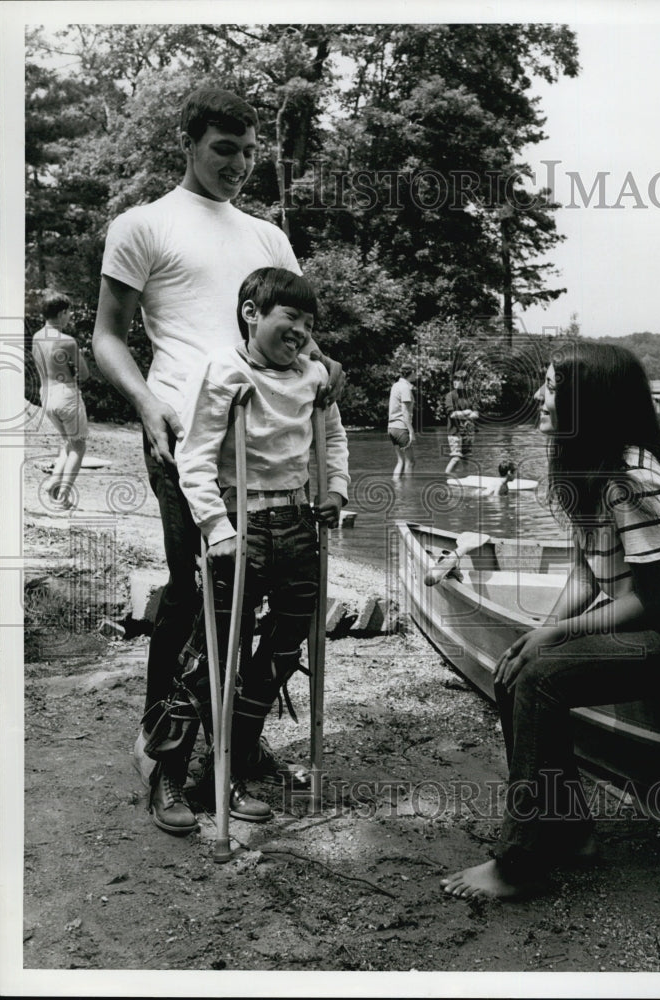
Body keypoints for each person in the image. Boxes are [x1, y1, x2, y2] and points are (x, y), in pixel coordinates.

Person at [92, 87, 345, 803]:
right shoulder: (141, 224)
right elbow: (107, 335)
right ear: (189, 142)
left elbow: (297, 331)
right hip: (187, 436)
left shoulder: (268, 236)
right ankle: (165, 756)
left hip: (270, 446)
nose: (238, 164)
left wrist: (324, 366)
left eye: (248, 151)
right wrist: (144, 406)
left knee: (270, 602)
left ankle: (237, 741)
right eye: (224, 149)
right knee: (197, 590)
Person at [441, 341, 660, 900]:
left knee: (540, 679)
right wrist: (544, 631)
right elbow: (590, 567)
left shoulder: (634, 480)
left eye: (552, 386)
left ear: (591, 402)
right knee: (519, 669)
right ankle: (570, 834)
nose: (539, 396)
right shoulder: (587, 461)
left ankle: (521, 861)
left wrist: (559, 635)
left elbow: (652, 602)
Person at [142, 267, 349, 834]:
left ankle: (226, 764)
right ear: (251, 313)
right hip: (241, 522)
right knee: (212, 653)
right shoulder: (223, 369)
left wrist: (336, 490)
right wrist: (216, 529)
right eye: (291, 318)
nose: (302, 332)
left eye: (309, 323)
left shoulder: (313, 377)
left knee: (287, 645)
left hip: (297, 521)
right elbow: (195, 458)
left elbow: (333, 440)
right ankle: (168, 772)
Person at [31, 291, 90, 509]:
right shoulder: (67, 341)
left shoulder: (36, 337)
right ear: (62, 312)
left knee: (68, 442)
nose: (70, 316)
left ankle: (54, 483)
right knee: (79, 446)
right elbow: (84, 374)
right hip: (65, 393)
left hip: (45, 394)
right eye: (69, 312)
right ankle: (62, 496)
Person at [444, 370, 479, 475]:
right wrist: (467, 412)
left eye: (458, 379)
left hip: (468, 432)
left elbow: (476, 414)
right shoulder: (450, 396)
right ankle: (446, 477)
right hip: (455, 432)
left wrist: (463, 414)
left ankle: (465, 477)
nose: (455, 381)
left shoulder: (471, 396)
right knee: (456, 457)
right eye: (454, 379)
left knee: (466, 458)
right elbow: (452, 414)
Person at [387, 362, 417, 477]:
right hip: (401, 428)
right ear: (412, 372)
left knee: (401, 462)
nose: (416, 375)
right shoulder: (405, 388)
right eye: (415, 373)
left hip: (392, 428)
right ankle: (409, 493)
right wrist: (411, 431)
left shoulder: (396, 385)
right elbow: (405, 412)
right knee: (411, 462)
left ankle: (397, 490)